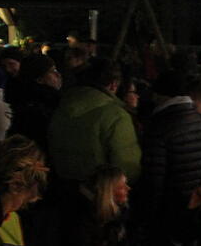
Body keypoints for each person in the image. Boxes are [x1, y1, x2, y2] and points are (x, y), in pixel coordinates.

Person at [136, 69, 201, 246]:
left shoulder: (160, 125)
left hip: (168, 206)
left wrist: (147, 215)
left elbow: (154, 177)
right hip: (194, 200)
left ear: (161, 94)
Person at [48, 57, 142, 186]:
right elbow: (126, 165)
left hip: (63, 187)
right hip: (102, 192)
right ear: (113, 84)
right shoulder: (116, 116)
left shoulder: (62, 107)